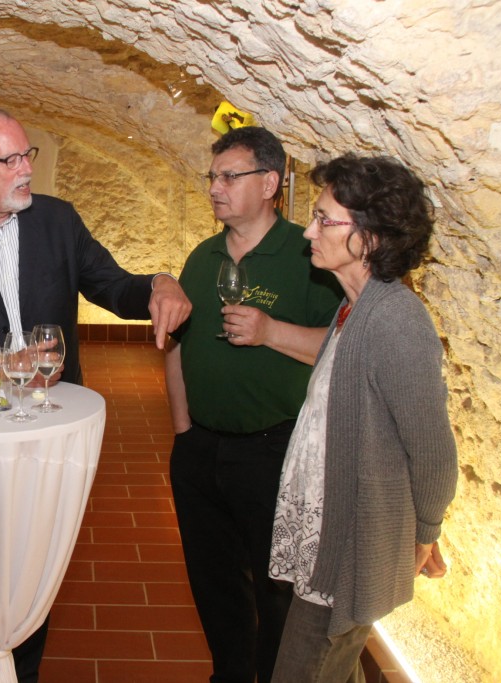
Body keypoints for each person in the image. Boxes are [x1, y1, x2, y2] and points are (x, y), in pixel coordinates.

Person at [0, 107, 192, 683]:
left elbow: (114, 286)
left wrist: (159, 283)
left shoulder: (58, 221)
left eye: (27, 155)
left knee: (34, 561)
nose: (25, 169)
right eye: (9, 159)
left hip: (49, 423)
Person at [268, 155, 458, 682]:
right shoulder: (353, 307)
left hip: (349, 550)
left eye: (323, 219)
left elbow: (434, 452)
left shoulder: (396, 319)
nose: (309, 231)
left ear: (369, 238)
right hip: (331, 539)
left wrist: (424, 532)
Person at [164, 126, 343, 683]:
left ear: (270, 183)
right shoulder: (203, 256)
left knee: (277, 591)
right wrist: (183, 427)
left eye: (229, 176)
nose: (214, 188)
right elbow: (176, 344)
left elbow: (345, 348)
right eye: (212, 177)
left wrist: (270, 332)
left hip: (274, 451)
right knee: (214, 583)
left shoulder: (309, 254)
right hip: (200, 450)